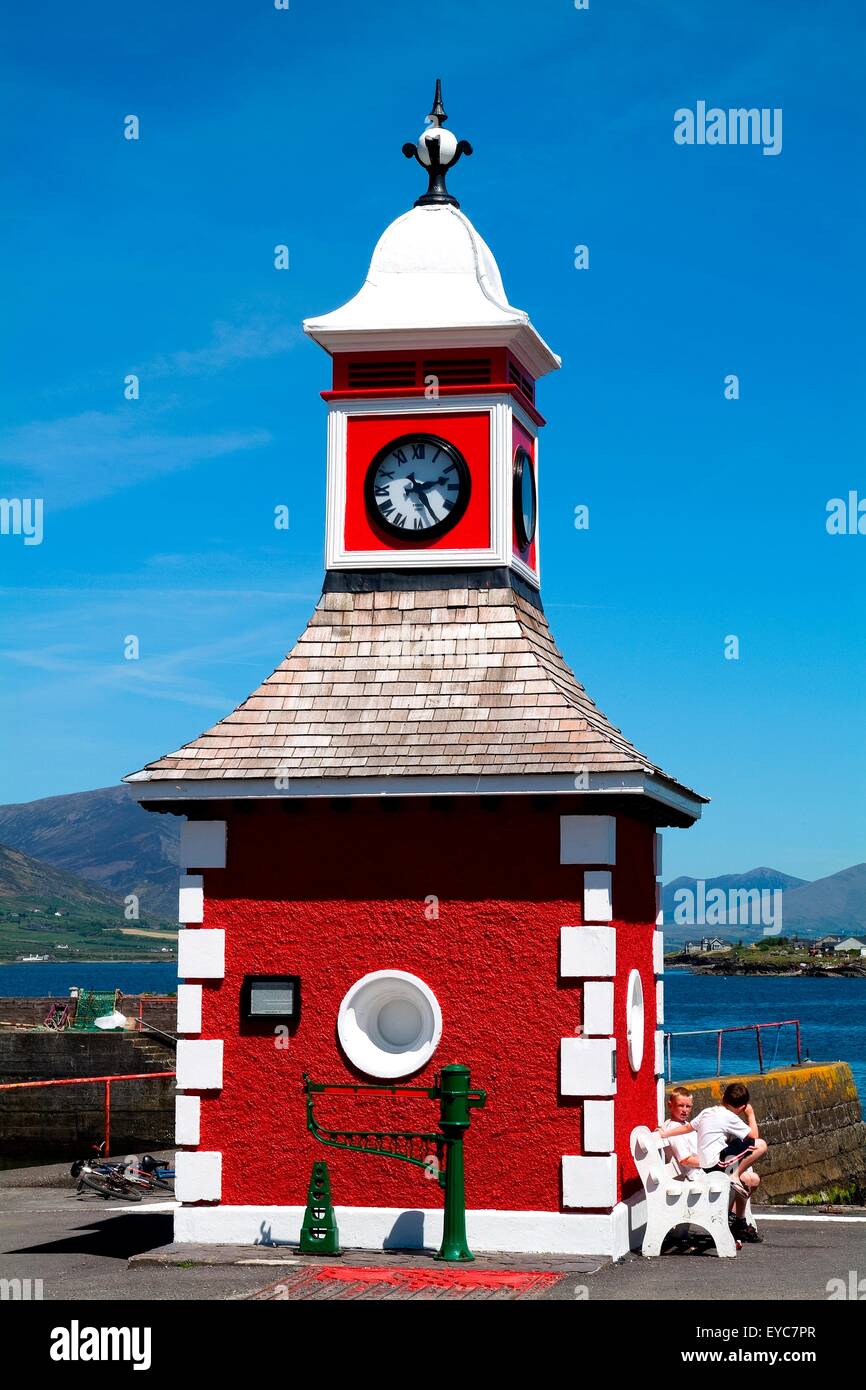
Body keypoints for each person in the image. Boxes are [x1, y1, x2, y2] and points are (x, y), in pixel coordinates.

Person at [658, 1081, 766, 1244]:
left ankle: (735, 1221)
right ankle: (734, 1221)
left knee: (752, 1179)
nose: (685, 1110)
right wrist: (750, 1114)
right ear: (670, 1105)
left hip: (708, 1167)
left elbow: (690, 1130)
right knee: (758, 1148)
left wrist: (665, 1134)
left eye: (688, 1106)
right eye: (681, 1106)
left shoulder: (695, 1119)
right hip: (702, 1173)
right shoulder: (676, 1126)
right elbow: (685, 1159)